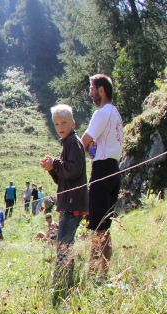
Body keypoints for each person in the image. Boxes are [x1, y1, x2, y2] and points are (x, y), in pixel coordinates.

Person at [40, 104, 88, 302]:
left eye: (64, 122)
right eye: (57, 124)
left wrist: (56, 163)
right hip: (68, 202)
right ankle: (66, 281)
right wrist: (51, 168)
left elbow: (74, 169)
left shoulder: (74, 142)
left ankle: (61, 285)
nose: (60, 127)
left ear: (72, 123)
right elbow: (63, 178)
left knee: (63, 245)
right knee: (65, 243)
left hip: (72, 203)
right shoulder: (67, 143)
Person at [81, 74, 123, 280]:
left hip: (102, 171)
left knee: (97, 227)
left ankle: (91, 274)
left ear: (101, 90)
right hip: (114, 170)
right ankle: (104, 274)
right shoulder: (116, 113)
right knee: (105, 227)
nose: (90, 93)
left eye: (92, 89)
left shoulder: (102, 112)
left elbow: (84, 141)